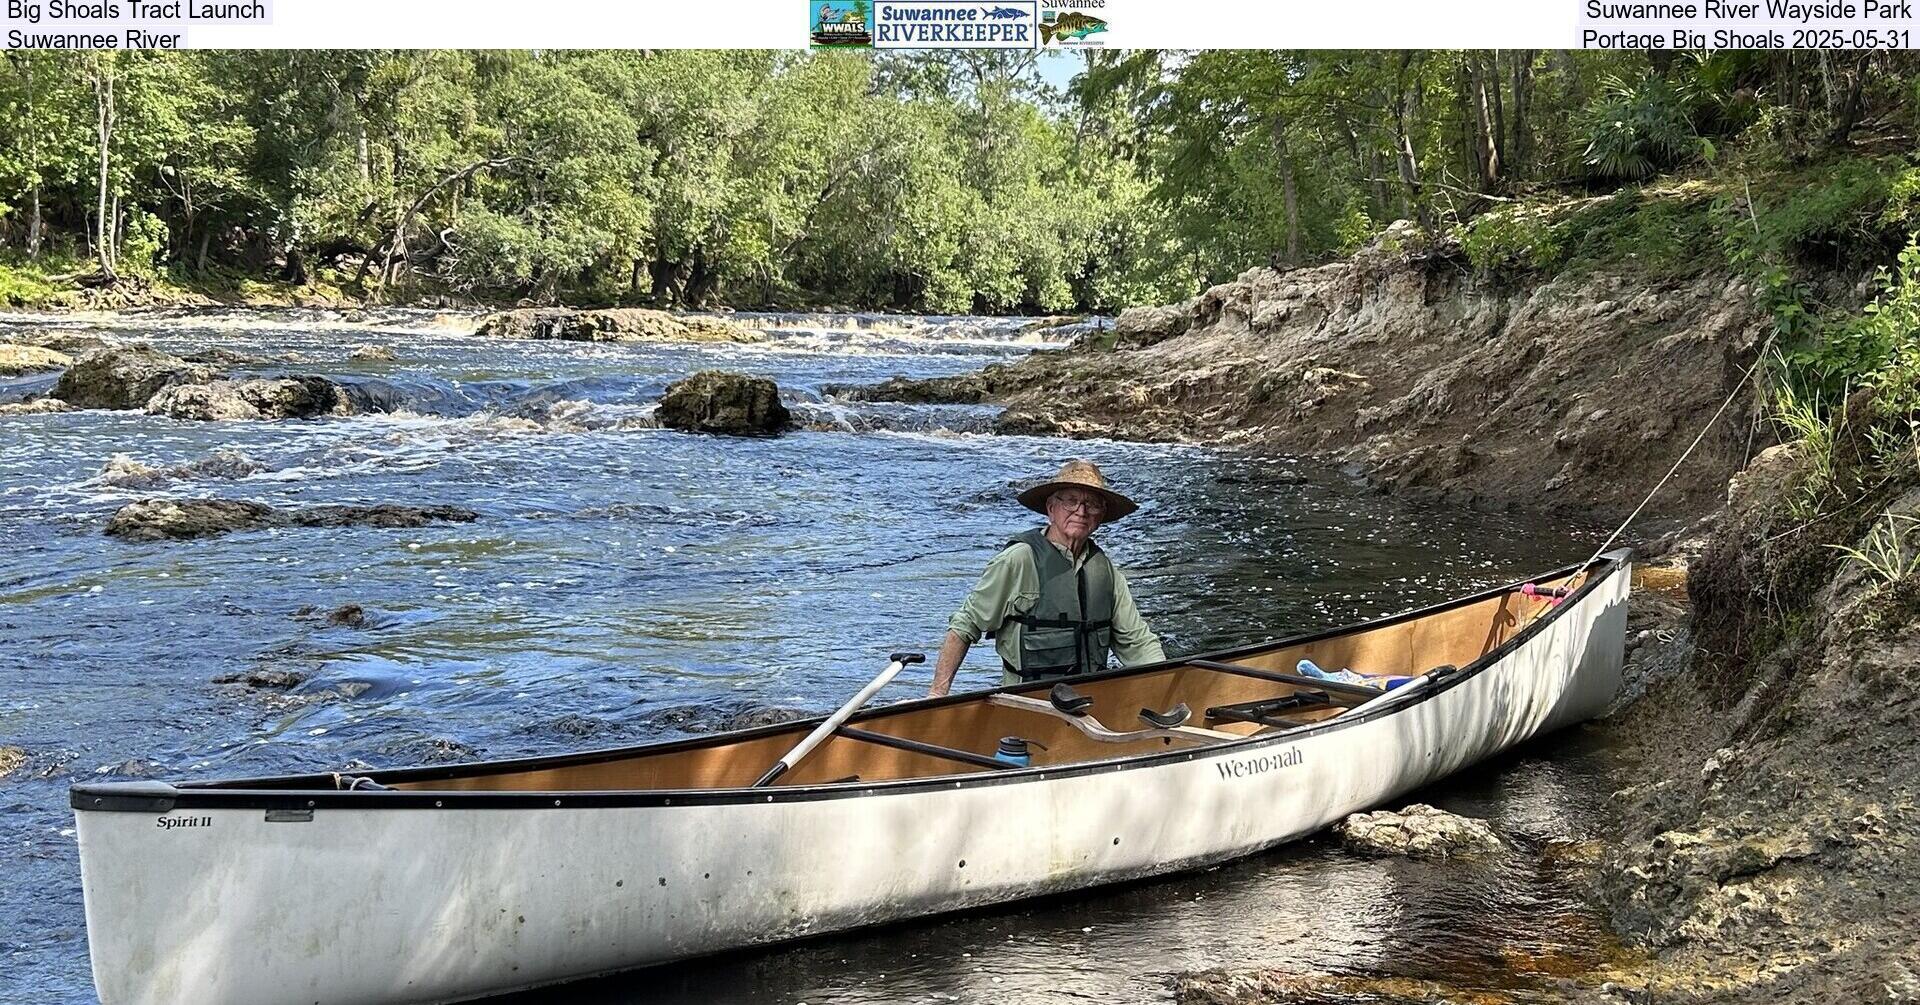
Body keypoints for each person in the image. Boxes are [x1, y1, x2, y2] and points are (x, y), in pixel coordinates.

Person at [927, 459, 1166, 697]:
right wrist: (937, 695)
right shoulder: (1019, 559)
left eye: (1091, 504)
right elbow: (964, 626)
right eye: (1071, 501)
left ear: (1101, 515)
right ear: (1051, 509)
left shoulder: (1105, 571)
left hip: (1089, 703)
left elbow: (1138, 642)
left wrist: (1167, 685)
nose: (1081, 511)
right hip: (1026, 702)